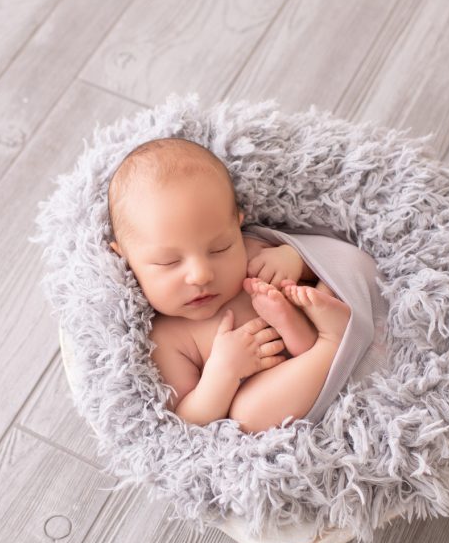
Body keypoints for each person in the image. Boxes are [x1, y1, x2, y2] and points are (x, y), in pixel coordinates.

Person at [107, 137, 350, 433]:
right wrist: (223, 372)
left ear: (237, 224)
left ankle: (331, 338)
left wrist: (294, 259)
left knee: (334, 278)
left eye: (220, 248)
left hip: (316, 337)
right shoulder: (166, 339)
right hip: (292, 392)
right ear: (126, 257)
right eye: (169, 262)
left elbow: (333, 249)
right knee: (247, 414)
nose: (200, 275)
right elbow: (189, 418)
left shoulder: (252, 255)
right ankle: (333, 343)